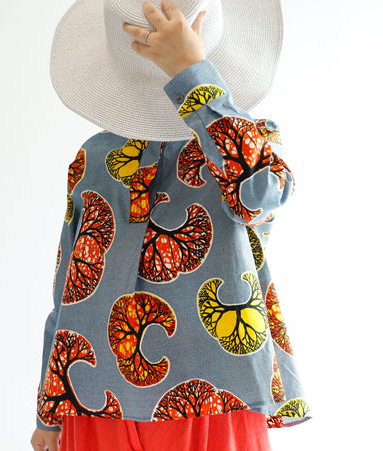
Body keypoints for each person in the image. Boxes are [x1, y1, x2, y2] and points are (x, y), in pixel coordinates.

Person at [31, 1, 310, 450]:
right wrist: (48, 409)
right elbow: (69, 286)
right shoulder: (95, 158)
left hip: (219, 392)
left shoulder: (242, 140)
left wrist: (192, 74)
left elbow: (260, 194)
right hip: (91, 396)